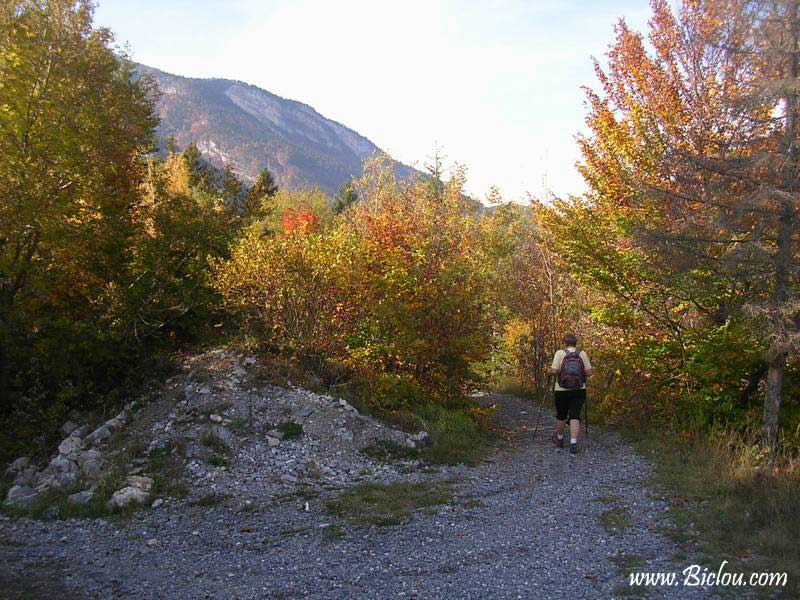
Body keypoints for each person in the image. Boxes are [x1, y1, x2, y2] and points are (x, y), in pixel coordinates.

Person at [549, 333, 592, 454]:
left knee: (561, 415)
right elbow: (589, 373)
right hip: (579, 389)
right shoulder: (582, 354)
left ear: (564, 343)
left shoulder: (559, 353)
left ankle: (560, 439)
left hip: (561, 390)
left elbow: (554, 370)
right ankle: (573, 442)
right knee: (575, 415)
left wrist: (549, 371)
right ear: (575, 343)